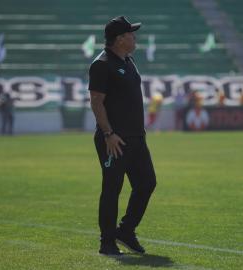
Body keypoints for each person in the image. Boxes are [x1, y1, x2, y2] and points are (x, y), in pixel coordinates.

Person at [88, 16, 156, 256]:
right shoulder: (102, 64)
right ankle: (107, 242)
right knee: (112, 188)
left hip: (136, 138)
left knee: (147, 183)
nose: (134, 37)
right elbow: (96, 102)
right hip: (113, 140)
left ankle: (126, 231)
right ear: (119, 39)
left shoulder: (129, 60)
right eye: (130, 34)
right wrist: (108, 133)